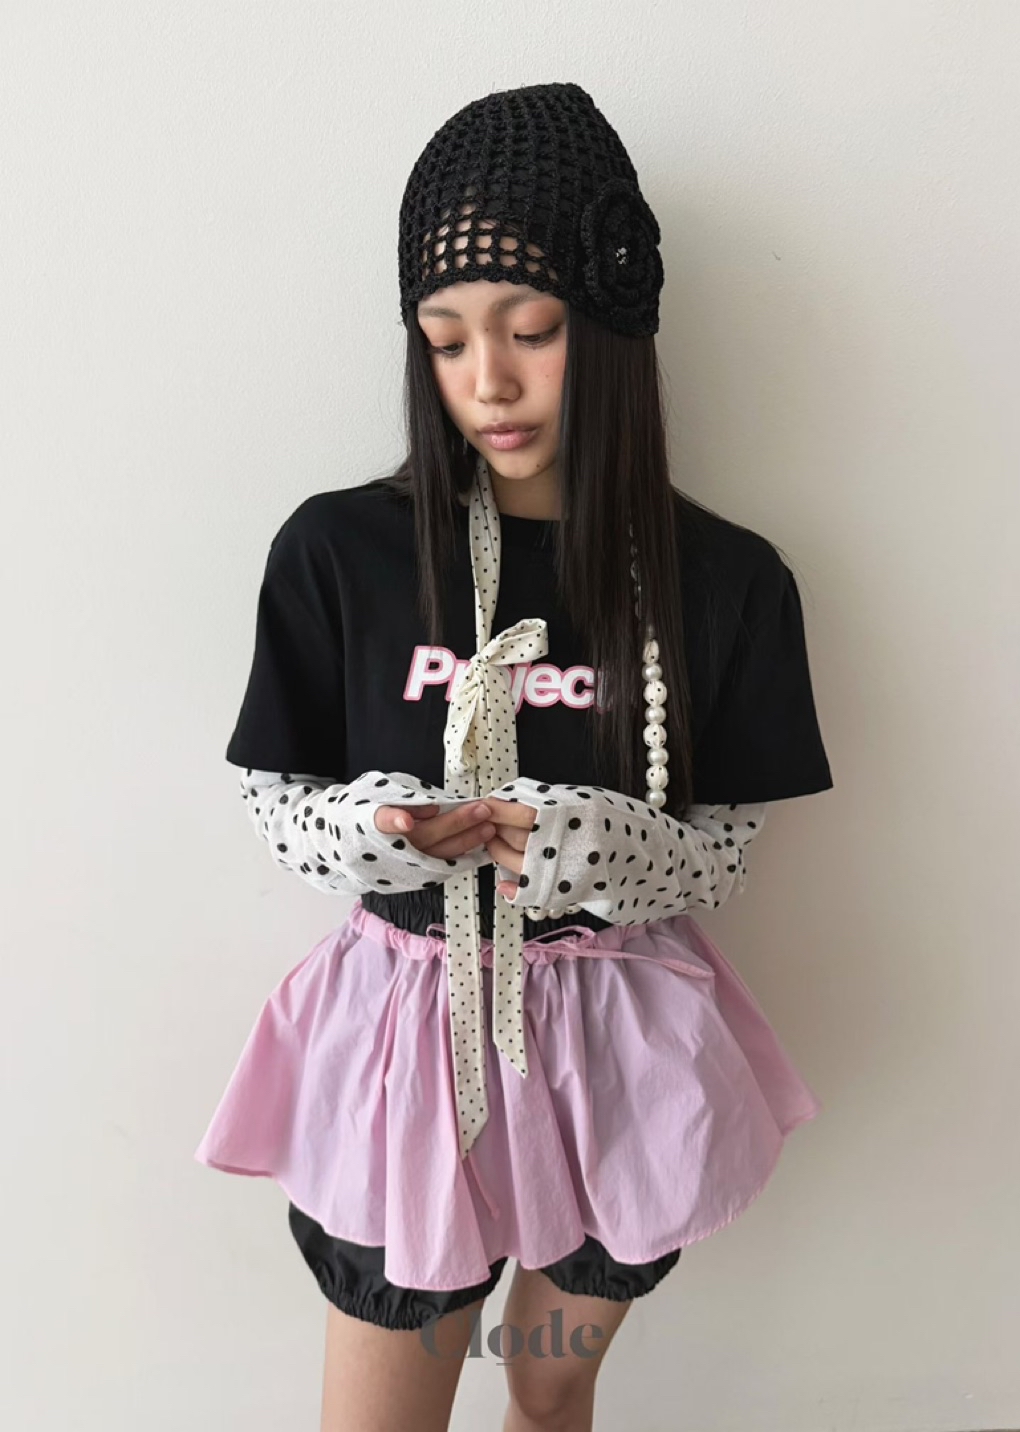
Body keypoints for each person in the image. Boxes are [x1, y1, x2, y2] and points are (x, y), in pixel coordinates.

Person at [195, 81, 834, 1432]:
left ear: (610, 323)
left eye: (532, 331)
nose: (487, 379)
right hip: (404, 1064)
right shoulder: (341, 552)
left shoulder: (725, 582)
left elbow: (722, 851)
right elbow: (276, 794)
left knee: (547, 1395)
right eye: (445, 339)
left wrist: (597, 842)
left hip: (616, 1062)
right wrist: (377, 830)